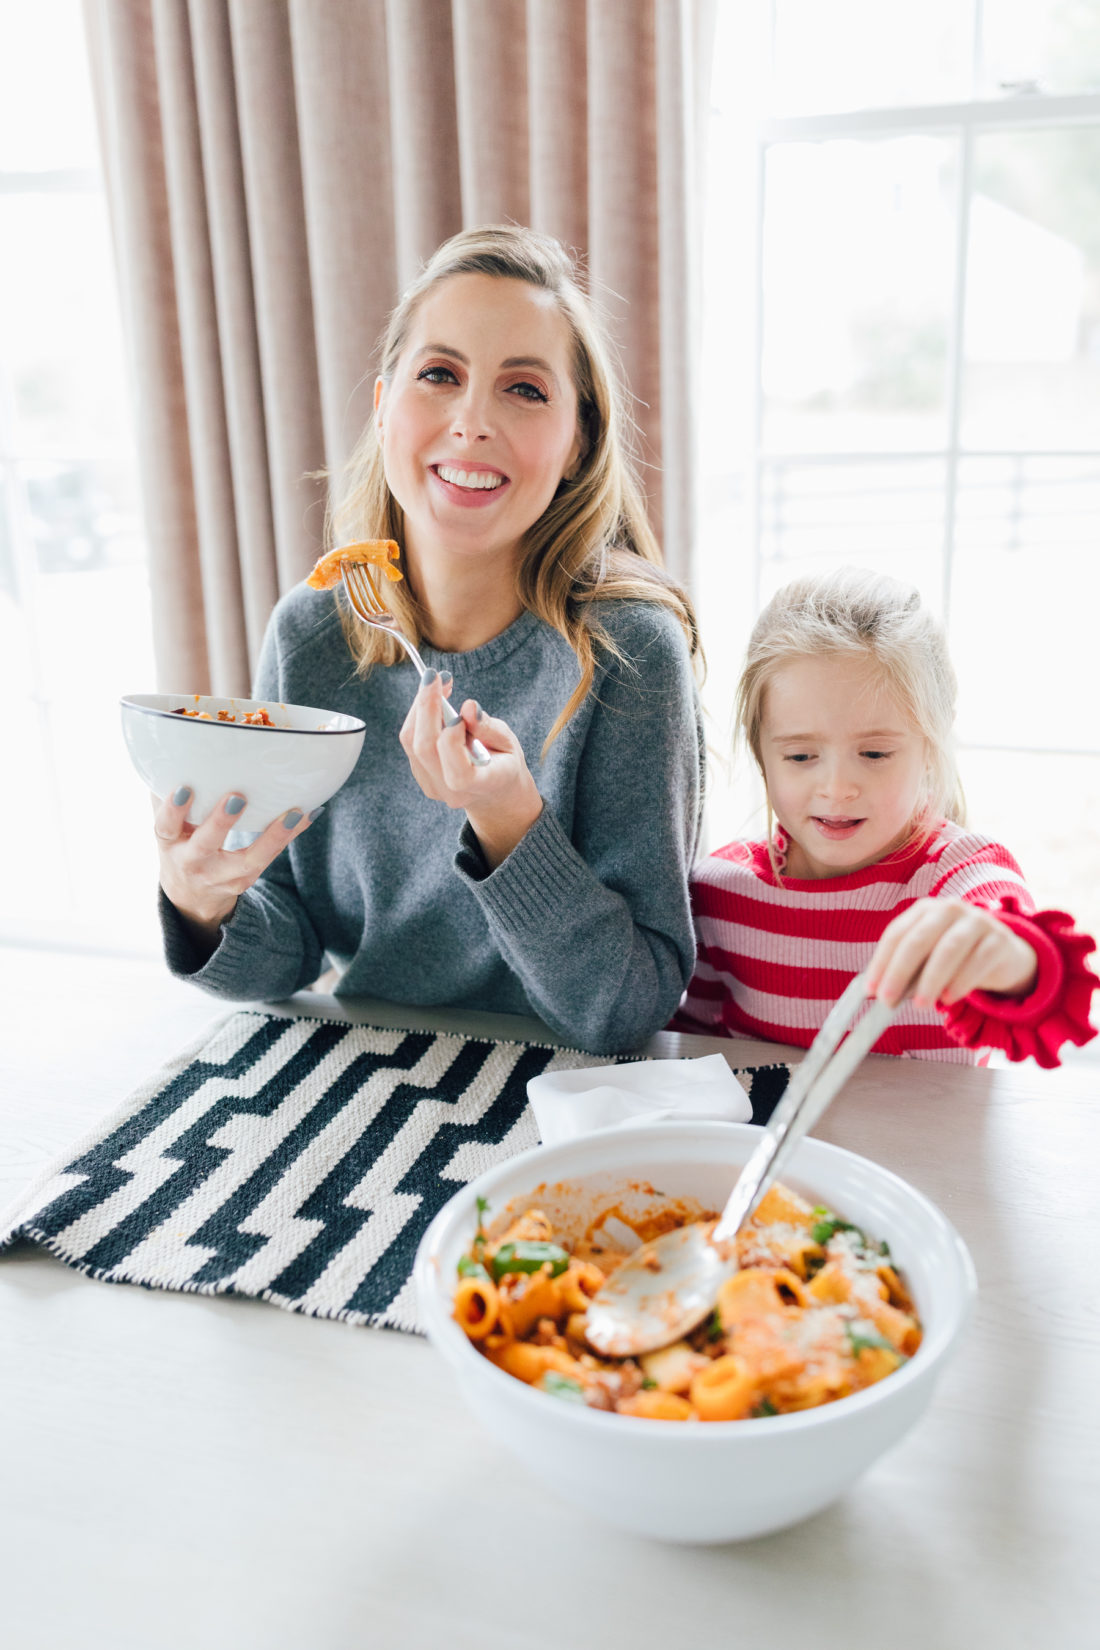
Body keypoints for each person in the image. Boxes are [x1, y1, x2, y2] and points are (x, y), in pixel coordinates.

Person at [152, 225, 704, 1056]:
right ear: (384, 411)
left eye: (524, 390)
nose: (472, 421)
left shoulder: (629, 652)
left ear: (578, 439)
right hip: (371, 1076)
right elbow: (291, 952)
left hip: (564, 1107)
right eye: (439, 375)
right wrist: (204, 905)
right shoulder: (313, 635)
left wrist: (509, 823)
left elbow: (628, 1010)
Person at [673, 567, 1096, 1066]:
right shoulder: (722, 893)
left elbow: (1049, 991)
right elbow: (692, 1051)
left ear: (931, 748)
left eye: (874, 754)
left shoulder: (957, 872)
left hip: (921, 1146)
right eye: (800, 757)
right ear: (760, 752)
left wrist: (1009, 956)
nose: (836, 788)